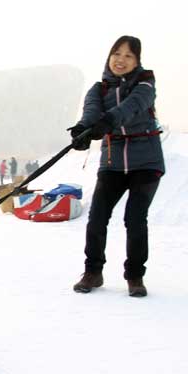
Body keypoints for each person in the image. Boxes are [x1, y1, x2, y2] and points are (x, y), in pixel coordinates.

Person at [69, 35, 165, 298]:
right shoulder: (98, 89)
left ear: (137, 61)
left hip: (146, 162)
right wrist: (83, 130)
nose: (121, 60)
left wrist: (107, 121)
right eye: (117, 54)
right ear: (109, 56)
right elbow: (91, 113)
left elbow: (131, 107)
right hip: (112, 162)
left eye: (128, 55)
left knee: (135, 219)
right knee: (97, 217)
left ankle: (135, 276)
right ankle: (93, 272)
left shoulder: (146, 83)